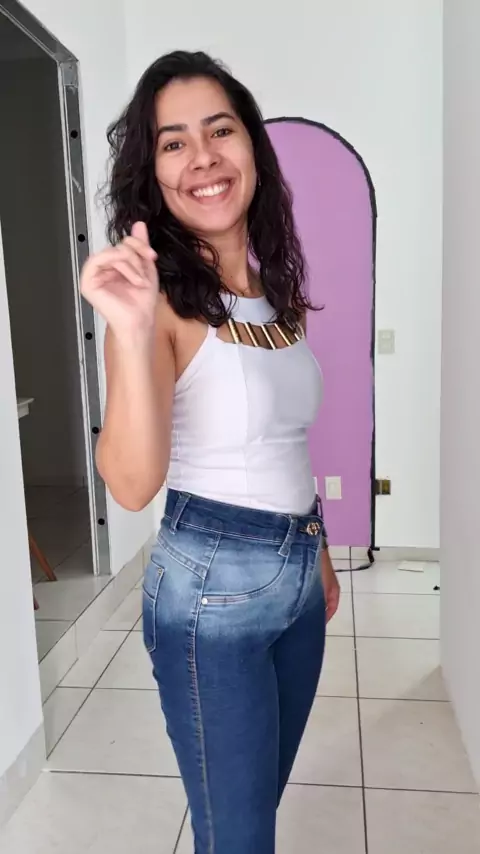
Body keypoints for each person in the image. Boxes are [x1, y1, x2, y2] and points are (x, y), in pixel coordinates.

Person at [80, 50, 340, 854]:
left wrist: (319, 555)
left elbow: (287, 443)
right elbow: (131, 484)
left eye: (219, 131)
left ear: (250, 145)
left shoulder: (273, 291)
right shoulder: (156, 304)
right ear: (152, 173)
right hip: (209, 595)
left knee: (251, 814)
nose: (202, 158)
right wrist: (129, 332)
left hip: (298, 579)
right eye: (173, 142)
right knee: (239, 839)